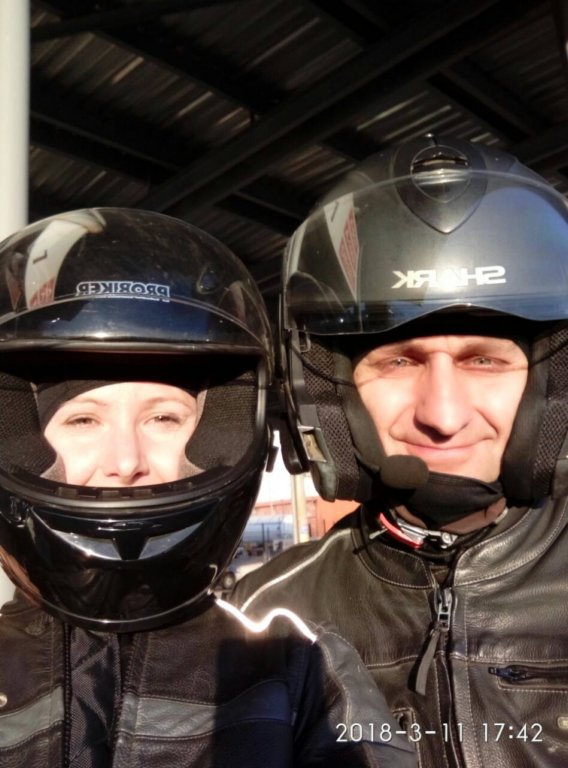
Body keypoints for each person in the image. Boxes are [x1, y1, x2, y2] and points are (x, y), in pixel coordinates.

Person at [0, 208, 415, 767]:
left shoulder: (299, 666)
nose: (126, 462)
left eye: (163, 418)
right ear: (22, 443)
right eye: (83, 420)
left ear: (221, 432)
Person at [233, 136, 568, 767]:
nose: (442, 416)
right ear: (330, 395)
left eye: (485, 361)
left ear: (549, 389)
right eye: (398, 362)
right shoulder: (265, 617)